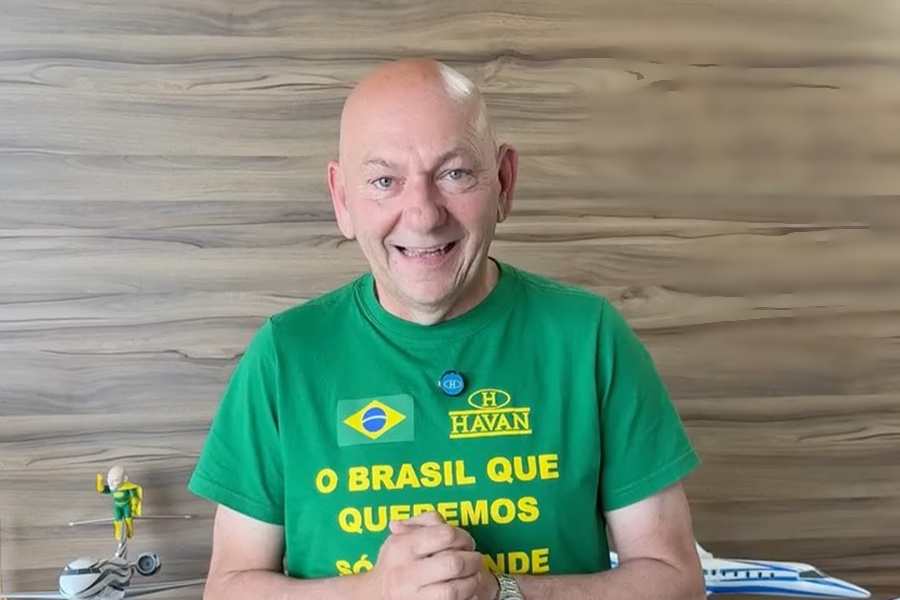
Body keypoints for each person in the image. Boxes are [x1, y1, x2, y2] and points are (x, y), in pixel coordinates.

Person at [187, 58, 705, 600]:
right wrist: (376, 592)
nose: (423, 215)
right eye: (384, 181)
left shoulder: (589, 337)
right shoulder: (285, 355)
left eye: (454, 174)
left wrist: (503, 592)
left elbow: (675, 579)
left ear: (504, 183)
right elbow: (228, 589)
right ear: (342, 199)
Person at [96, 465, 142, 541]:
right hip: (117, 506)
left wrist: (134, 505)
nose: (111, 483)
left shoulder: (128, 488)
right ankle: (118, 533)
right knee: (117, 517)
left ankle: (129, 532)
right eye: (109, 479)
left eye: (115, 480)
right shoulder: (112, 488)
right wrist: (99, 482)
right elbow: (102, 490)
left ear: (124, 479)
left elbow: (134, 497)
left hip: (126, 505)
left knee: (128, 517)